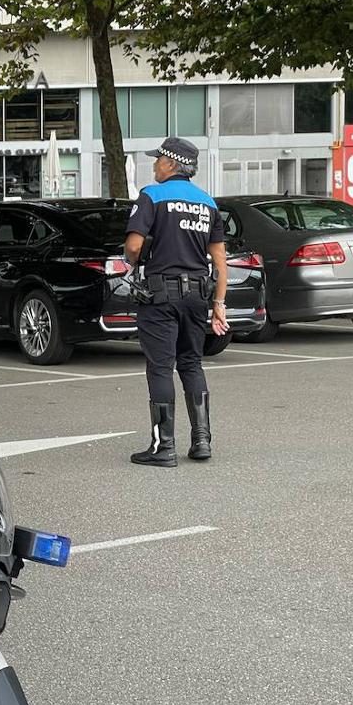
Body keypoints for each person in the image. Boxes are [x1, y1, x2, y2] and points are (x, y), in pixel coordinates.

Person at [124, 137, 229, 468]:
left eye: (158, 160)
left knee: (160, 367)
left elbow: (134, 247)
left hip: (161, 294)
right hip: (198, 296)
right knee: (191, 364)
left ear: (171, 164)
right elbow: (220, 261)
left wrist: (135, 257)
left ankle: (163, 446)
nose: (154, 164)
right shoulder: (207, 203)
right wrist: (219, 304)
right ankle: (202, 442)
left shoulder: (151, 196)